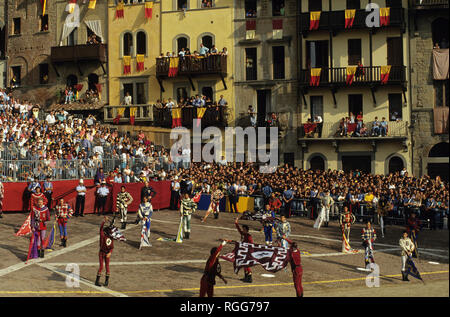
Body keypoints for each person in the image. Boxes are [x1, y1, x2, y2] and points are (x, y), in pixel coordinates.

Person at [95, 217, 114, 287]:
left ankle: (105, 281)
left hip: (104, 252)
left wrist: (110, 253)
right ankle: (100, 281)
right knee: (103, 266)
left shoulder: (103, 236)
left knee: (105, 266)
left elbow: (112, 247)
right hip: (103, 252)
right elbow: (112, 247)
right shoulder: (109, 237)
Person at [235, 216, 253, 283]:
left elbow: (251, 245)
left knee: (246, 264)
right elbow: (239, 230)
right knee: (244, 264)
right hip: (243, 251)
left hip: (247, 252)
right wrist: (236, 223)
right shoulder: (243, 234)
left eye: (244, 229)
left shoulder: (249, 236)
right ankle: (246, 277)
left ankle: (249, 277)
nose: (242, 230)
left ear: (246, 230)